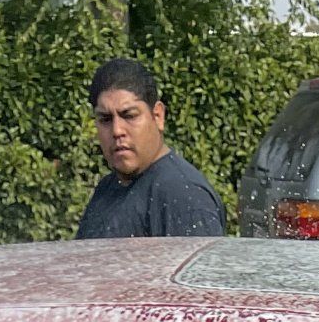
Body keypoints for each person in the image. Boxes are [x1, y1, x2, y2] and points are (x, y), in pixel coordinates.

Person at [75, 57, 226, 240]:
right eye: (105, 119)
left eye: (129, 116)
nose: (117, 131)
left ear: (158, 116)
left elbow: (200, 269)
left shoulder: (183, 196)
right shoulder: (107, 187)